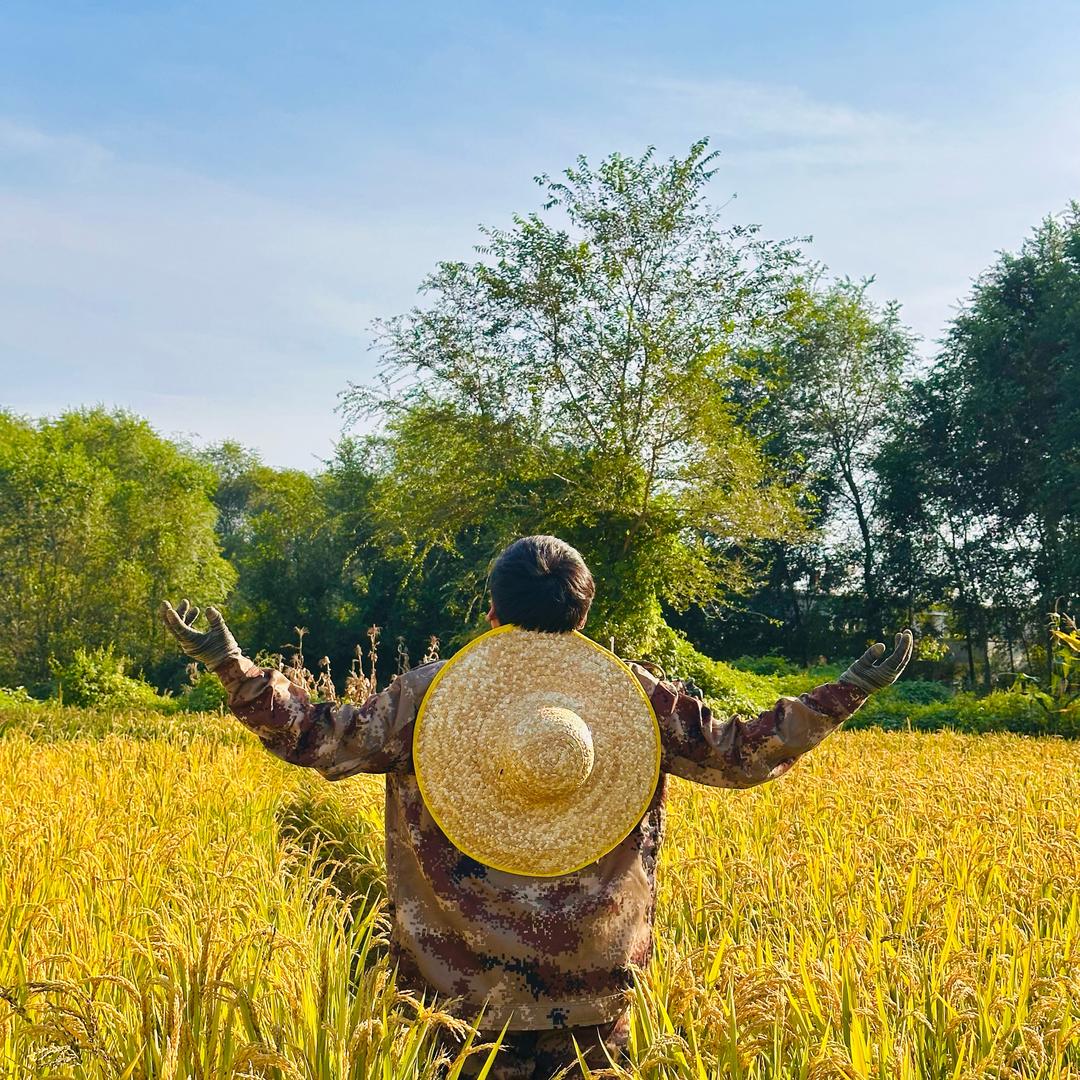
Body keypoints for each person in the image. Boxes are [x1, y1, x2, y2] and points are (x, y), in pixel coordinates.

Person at [161, 534, 911, 1079]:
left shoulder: (428, 695)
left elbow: (319, 738)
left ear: (491, 610)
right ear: (583, 615)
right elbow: (743, 751)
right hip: (597, 998)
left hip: (454, 1003)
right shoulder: (634, 695)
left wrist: (232, 665)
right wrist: (846, 690)